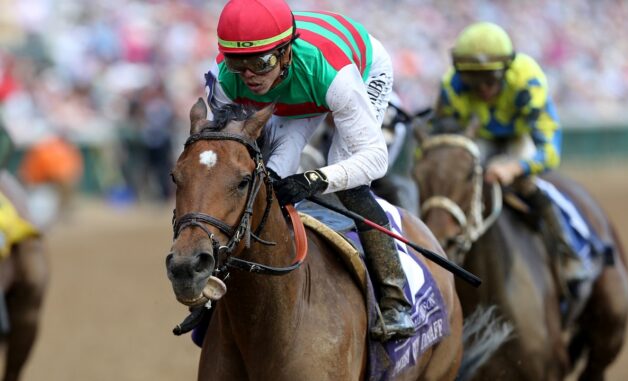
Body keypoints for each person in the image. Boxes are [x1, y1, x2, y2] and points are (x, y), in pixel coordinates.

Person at [204, 0, 413, 341]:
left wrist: (314, 180)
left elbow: (375, 158)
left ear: (285, 53)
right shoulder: (227, 80)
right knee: (264, 180)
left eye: (260, 63)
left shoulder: (333, 76)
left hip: (358, 69)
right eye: (237, 63)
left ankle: (394, 299)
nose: (250, 77)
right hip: (293, 92)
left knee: (351, 186)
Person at [433, 21, 590, 294]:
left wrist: (515, 168)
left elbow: (550, 151)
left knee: (527, 185)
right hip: (478, 139)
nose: (483, 89)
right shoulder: (451, 86)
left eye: (490, 80)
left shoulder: (528, 82)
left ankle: (569, 254)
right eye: (473, 81)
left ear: (507, 70)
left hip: (519, 137)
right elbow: (441, 138)